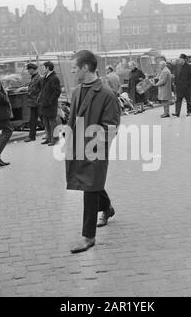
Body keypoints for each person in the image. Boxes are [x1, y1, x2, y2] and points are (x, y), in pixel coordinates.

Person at [66, 50, 121, 254]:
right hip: (78, 146)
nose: (72, 71)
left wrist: (92, 145)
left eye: (74, 68)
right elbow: (73, 119)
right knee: (92, 185)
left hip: (95, 150)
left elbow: (111, 128)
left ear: (85, 68)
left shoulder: (107, 94)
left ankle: (88, 237)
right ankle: (107, 208)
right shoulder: (76, 91)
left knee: (89, 188)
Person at [38, 61, 61, 146]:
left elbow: (57, 91)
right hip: (44, 104)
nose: (42, 69)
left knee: (52, 122)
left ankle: (55, 139)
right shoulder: (46, 77)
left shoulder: (54, 78)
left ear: (47, 68)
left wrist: (51, 101)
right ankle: (48, 138)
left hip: (50, 104)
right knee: (46, 122)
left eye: (43, 67)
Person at [24, 63, 42, 143]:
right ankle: (32, 136)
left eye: (28, 69)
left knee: (45, 120)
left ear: (32, 69)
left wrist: (40, 100)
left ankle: (52, 135)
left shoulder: (39, 78)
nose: (28, 71)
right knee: (33, 120)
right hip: (33, 102)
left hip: (38, 102)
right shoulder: (33, 78)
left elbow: (42, 90)